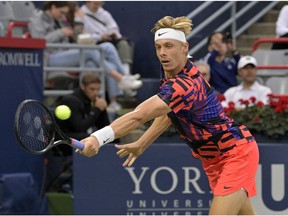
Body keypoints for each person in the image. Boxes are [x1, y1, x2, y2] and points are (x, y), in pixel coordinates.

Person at [78, 16, 259, 215]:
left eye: (169, 46)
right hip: (214, 160)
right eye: (159, 47)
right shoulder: (172, 73)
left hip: (235, 153)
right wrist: (142, 142)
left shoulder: (185, 85)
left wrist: (98, 138)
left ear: (184, 47)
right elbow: (168, 114)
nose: (163, 53)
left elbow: (140, 115)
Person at [28, 1, 142, 92]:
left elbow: (74, 37)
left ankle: (124, 78)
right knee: (89, 51)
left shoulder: (60, 19)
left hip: (65, 52)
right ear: (52, 7)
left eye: (64, 14)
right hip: (49, 57)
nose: (63, 16)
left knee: (106, 48)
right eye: (61, 13)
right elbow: (39, 41)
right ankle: (121, 79)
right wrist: (61, 33)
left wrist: (74, 27)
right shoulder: (36, 19)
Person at [80, 1, 134, 75]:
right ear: (87, 2)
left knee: (123, 44)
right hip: (93, 44)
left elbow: (114, 28)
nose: (97, 6)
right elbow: (81, 37)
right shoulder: (80, 14)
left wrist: (112, 34)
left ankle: (126, 73)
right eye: (95, 3)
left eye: (100, 4)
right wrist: (99, 37)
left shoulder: (105, 14)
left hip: (108, 40)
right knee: (108, 47)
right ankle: (123, 75)